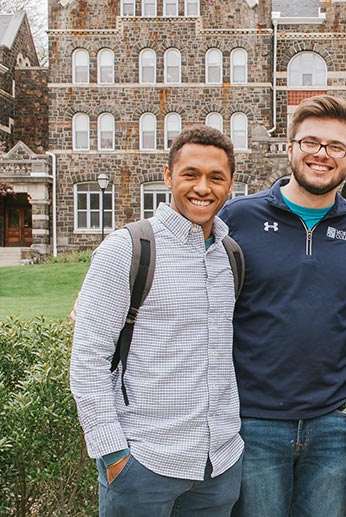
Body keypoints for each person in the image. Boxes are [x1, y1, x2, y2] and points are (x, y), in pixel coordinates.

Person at [217, 94, 346, 517]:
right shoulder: (238, 218)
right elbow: (180, 268)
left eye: (335, 147)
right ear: (290, 147)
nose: (322, 155)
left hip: (331, 426)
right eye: (311, 142)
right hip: (253, 424)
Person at [70, 126, 242, 517]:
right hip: (144, 464)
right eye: (190, 174)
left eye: (216, 177)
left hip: (220, 465)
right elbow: (87, 361)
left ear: (230, 183)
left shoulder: (229, 255)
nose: (203, 187)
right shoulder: (128, 248)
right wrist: (114, 454)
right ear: (168, 177)